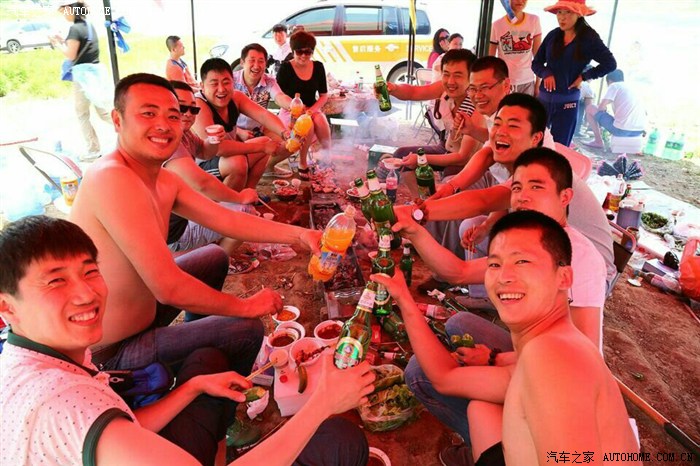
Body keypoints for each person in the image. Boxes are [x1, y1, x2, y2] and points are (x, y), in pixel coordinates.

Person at [0, 215, 374, 466]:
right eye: (55, 281)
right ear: (6, 307)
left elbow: (127, 425)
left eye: (89, 271)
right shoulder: (61, 403)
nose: (86, 294)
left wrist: (192, 387)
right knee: (341, 440)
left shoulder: (36, 359)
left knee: (207, 363)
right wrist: (322, 403)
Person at [69, 74, 321, 378]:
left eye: (173, 116)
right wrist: (246, 306)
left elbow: (227, 219)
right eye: (148, 113)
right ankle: (219, 388)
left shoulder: (161, 178)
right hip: (111, 351)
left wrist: (301, 235)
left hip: (146, 312)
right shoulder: (112, 178)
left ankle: (200, 360)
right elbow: (168, 288)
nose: (163, 125)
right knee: (245, 328)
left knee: (213, 257)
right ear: (117, 120)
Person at [372, 210, 640, 466]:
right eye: (495, 264)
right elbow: (445, 378)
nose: (504, 277)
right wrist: (404, 299)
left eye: (522, 261)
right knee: (481, 408)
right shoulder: (546, 343)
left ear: (564, 277)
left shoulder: (552, 356)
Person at [409, 93, 616, 284]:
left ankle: (492, 295)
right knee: (474, 226)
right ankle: (480, 295)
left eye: (513, 126)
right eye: (497, 124)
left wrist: (419, 213)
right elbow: (501, 195)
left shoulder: (539, 169)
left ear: (536, 138)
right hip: (552, 250)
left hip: (589, 272)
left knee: (489, 245)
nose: (501, 132)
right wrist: (483, 222)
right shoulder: (521, 161)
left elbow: (484, 201)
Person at [165, 80, 259, 256]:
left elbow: (204, 152)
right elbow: (202, 184)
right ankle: (216, 259)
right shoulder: (169, 141)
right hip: (174, 232)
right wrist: (240, 197)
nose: (188, 114)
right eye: (181, 107)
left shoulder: (184, 133)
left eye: (193, 109)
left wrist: (213, 140)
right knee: (246, 214)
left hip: (183, 213)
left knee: (229, 206)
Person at [379, 49, 479, 179]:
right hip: (446, 147)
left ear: (471, 77)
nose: (450, 81)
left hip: (470, 159)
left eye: (458, 75)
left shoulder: (477, 104)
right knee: (401, 155)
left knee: (451, 173)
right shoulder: (444, 88)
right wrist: (393, 88)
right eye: (446, 74)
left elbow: (462, 157)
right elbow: (413, 92)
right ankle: (421, 194)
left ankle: (441, 192)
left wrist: (420, 158)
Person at [192, 58, 288, 190]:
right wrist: (262, 147)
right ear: (202, 86)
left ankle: (249, 194)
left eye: (226, 82)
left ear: (233, 82)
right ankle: (229, 202)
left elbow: (263, 115)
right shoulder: (198, 105)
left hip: (224, 161)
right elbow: (220, 148)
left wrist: (285, 132)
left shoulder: (236, 97)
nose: (221, 89)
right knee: (238, 162)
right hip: (200, 167)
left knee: (265, 141)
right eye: (214, 84)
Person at [532, 0, 616, 146]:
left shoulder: (589, 38)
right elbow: (536, 63)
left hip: (568, 103)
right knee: (534, 143)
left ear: (579, 14)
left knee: (560, 147)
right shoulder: (553, 35)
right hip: (543, 101)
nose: (562, 17)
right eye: (559, 12)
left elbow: (610, 63)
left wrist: (584, 76)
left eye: (568, 12)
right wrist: (546, 73)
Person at [49, 1, 111, 162]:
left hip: (83, 78)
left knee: (82, 114)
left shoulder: (75, 29)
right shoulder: (89, 26)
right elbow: (82, 48)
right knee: (105, 113)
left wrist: (57, 44)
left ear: (70, 9)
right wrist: (64, 41)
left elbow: (71, 55)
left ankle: (93, 150)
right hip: (96, 74)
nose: (63, 15)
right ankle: (132, 132)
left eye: (63, 11)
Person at [276, 31, 332, 178]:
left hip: (311, 109)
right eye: (299, 52)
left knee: (321, 120)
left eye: (308, 52)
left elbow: (324, 95)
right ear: (293, 51)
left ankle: (327, 156)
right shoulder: (285, 68)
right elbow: (278, 96)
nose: (303, 56)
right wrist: (296, 109)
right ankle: (302, 162)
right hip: (290, 110)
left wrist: (311, 111)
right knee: (308, 125)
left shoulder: (318, 67)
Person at [232, 43, 295, 173]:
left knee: (293, 141)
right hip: (233, 130)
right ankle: (246, 169)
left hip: (258, 130)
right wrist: (238, 132)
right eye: (252, 60)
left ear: (266, 64)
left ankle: (266, 167)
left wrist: (293, 105)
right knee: (238, 160)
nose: (256, 66)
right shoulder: (231, 80)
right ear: (242, 62)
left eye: (261, 61)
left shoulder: (269, 81)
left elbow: (279, 97)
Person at [583, 69, 647, 149]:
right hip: (638, 132)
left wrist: (603, 111)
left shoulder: (614, 85)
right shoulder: (632, 88)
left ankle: (598, 141)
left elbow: (600, 107)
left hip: (622, 131)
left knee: (590, 108)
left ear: (609, 81)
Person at [490, 0, 541, 96]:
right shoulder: (497, 25)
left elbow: (538, 56)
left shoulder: (534, 20)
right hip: (505, 82)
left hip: (527, 81)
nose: (520, 1)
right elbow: (491, 59)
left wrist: (538, 83)